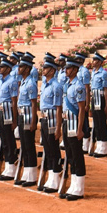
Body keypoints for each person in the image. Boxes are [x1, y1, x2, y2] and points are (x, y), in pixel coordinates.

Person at [61, 56, 89, 201]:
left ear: (75, 70)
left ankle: (79, 187)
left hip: (74, 123)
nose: (66, 70)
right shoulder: (67, 84)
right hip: (66, 122)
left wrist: (80, 129)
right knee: (70, 154)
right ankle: (73, 185)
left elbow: (81, 109)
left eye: (69, 68)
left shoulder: (78, 86)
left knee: (77, 155)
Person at [37, 55, 64, 192]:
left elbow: (59, 108)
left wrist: (58, 128)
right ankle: (51, 176)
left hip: (53, 119)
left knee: (53, 149)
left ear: (53, 71)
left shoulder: (56, 86)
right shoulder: (45, 85)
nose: (44, 70)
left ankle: (56, 176)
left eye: (46, 68)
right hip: (44, 119)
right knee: (47, 148)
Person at [14, 55, 39, 187]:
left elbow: (34, 104)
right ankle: (27, 173)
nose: (19, 68)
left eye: (22, 66)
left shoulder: (30, 84)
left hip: (28, 116)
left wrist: (34, 122)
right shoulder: (23, 82)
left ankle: (32, 175)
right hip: (21, 115)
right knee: (24, 145)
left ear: (27, 68)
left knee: (29, 146)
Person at [87, 53, 107, 157]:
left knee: (101, 122)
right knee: (96, 122)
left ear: (100, 62)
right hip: (94, 98)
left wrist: (106, 105)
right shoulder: (93, 73)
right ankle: (99, 144)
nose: (93, 62)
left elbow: (105, 90)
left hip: (100, 98)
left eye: (95, 60)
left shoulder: (103, 73)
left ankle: (103, 146)